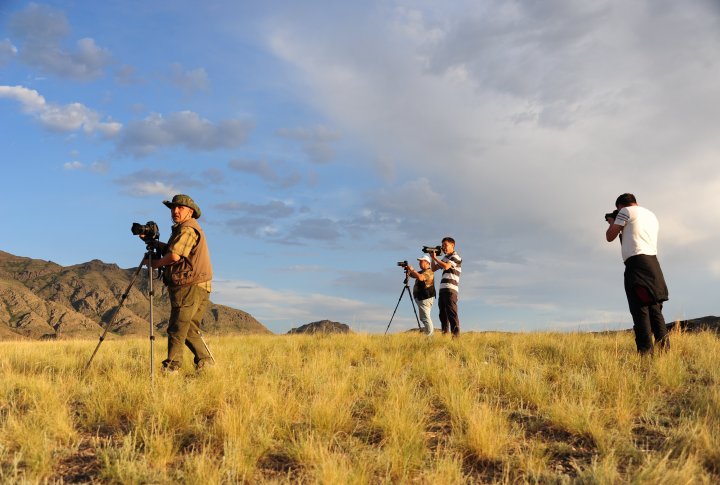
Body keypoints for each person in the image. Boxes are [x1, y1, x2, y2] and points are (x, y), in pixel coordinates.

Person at [142, 194, 214, 371]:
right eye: (173, 208)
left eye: (180, 208)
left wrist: (155, 264)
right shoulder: (186, 229)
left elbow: (174, 256)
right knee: (189, 329)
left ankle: (172, 368)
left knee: (177, 328)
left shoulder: (187, 229)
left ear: (190, 211)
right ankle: (206, 363)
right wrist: (153, 243)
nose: (175, 211)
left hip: (188, 285)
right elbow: (174, 250)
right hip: (200, 284)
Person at [606, 193, 669, 355]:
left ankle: (646, 355)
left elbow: (610, 236)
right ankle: (665, 353)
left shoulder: (625, 211)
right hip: (653, 264)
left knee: (639, 309)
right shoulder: (651, 215)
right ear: (636, 202)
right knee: (655, 310)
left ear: (620, 206)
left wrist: (612, 221)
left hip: (636, 264)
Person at [431, 236, 462, 336]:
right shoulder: (445, 258)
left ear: (452, 245)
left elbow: (446, 266)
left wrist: (435, 258)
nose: (443, 247)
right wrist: (432, 258)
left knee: (452, 313)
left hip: (451, 289)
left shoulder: (456, 257)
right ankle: (445, 335)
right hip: (443, 289)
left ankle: (456, 337)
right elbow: (433, 268)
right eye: (442, 245)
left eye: (445, 245)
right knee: (443, 315)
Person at [406, 255, 436, 336]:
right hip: (422, 298)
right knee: (423, 318)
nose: (419, 263)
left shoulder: (429, 271)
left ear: (427, 263)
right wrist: (409, 270)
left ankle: (430, 336)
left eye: (421, 261)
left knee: (426, 318)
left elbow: (420, 277)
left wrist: (412, 269)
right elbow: (414, 275)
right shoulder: (423, 271)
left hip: (425, 298)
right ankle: (428, 335)